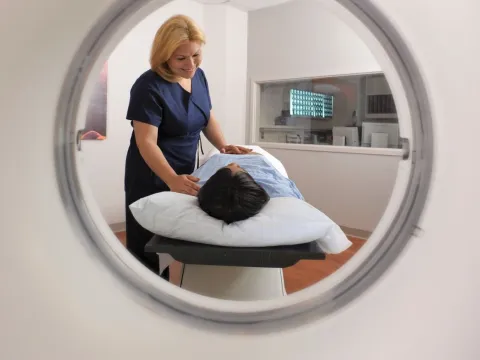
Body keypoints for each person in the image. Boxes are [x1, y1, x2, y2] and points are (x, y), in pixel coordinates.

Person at [124, 14, 251, 278]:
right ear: (164, 56)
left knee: (177, 236)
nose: (190, 64)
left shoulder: (199, 76)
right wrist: (171, 178)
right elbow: (145, 141)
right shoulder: (148, 86)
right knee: (148, 244)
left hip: (184, 169)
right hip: (152, 172)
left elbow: (206, 116)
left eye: (195, 55)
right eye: (181, 58)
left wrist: (224, 146)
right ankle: (144, 294)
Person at [194, 152, 304, 223]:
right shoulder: (281, 191)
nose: (234, 163)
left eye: (225, 168)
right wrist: (253, 154)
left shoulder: (196, 184)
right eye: (241, 169)